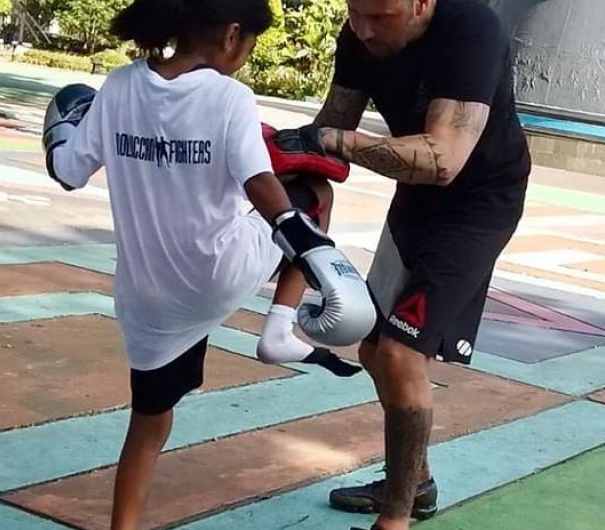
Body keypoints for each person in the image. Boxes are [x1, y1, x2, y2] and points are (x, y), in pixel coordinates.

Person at [39, 0, 375, 528]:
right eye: (250, 45)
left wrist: (61, 128)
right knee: (314, 188)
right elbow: (260, 183)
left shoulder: (121, 86)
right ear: (231, 34)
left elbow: (68, 171)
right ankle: (279, 328)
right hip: (217, 272)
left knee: (148, 423)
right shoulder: (229, 98)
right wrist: (313, 250)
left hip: (145, 293)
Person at [274, 1, 532, 529]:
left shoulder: (470, 28)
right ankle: (415, 482)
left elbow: (443, 159)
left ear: (421, 4)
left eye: (381, 17)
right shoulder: (359, 35)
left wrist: (332, 141)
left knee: (399, 353)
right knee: (373, 346)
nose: (364, 31)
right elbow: (328, 142)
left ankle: (394, 520)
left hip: (479, 204)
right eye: (355, 14)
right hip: (415, 201)